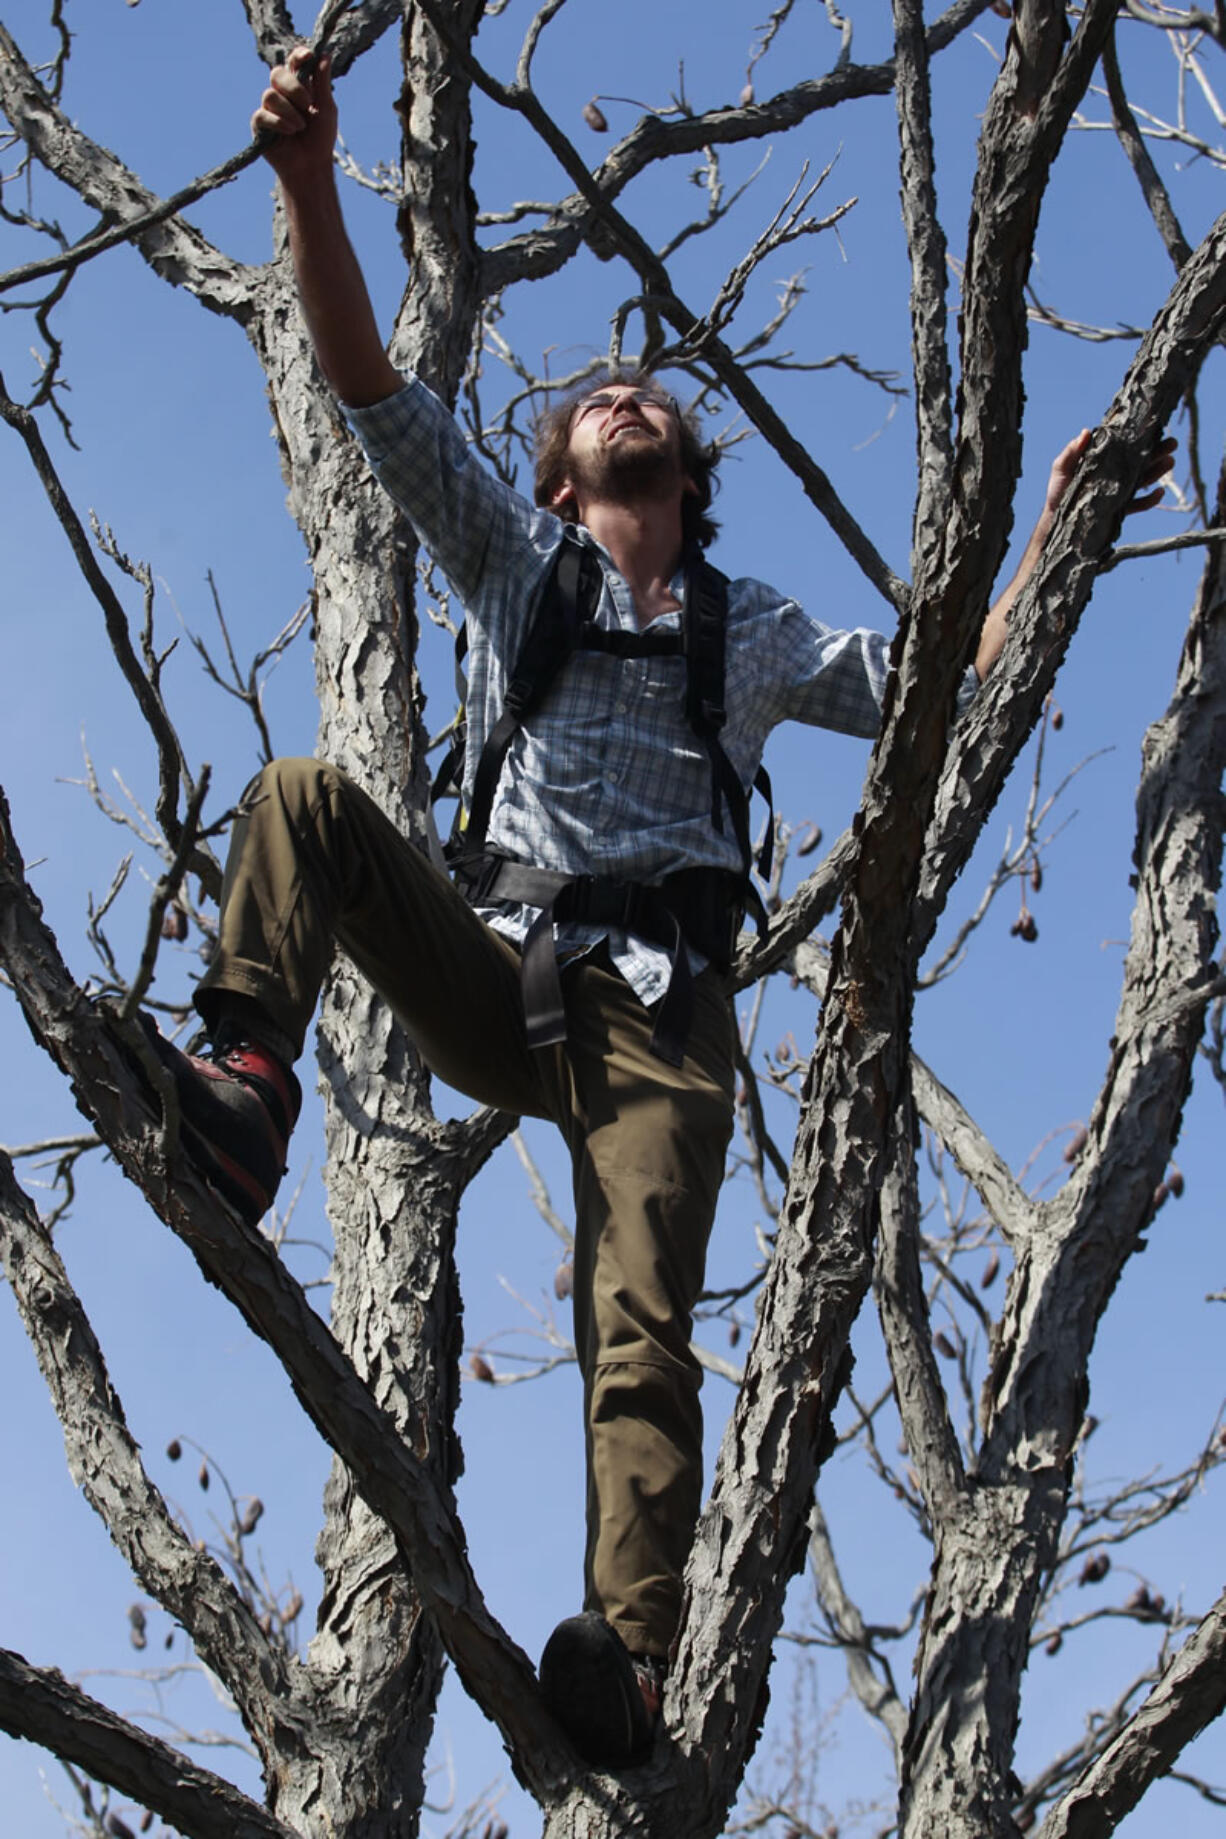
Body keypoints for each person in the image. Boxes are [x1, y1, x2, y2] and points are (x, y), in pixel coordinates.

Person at [145, 48, 1174, 1771]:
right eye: (593, 404)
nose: (624, 397)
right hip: (500, 965)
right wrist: (312, 183)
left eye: (648, 400)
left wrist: (1053, 519)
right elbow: (364, 378)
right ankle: (244, 1090)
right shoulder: (510, 558)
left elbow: (952, 671)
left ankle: (626, 1652)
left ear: (689, 470)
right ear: (557, 476)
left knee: (639, 1317)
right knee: (305, 799)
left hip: (664, 1023)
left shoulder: (750, 628)